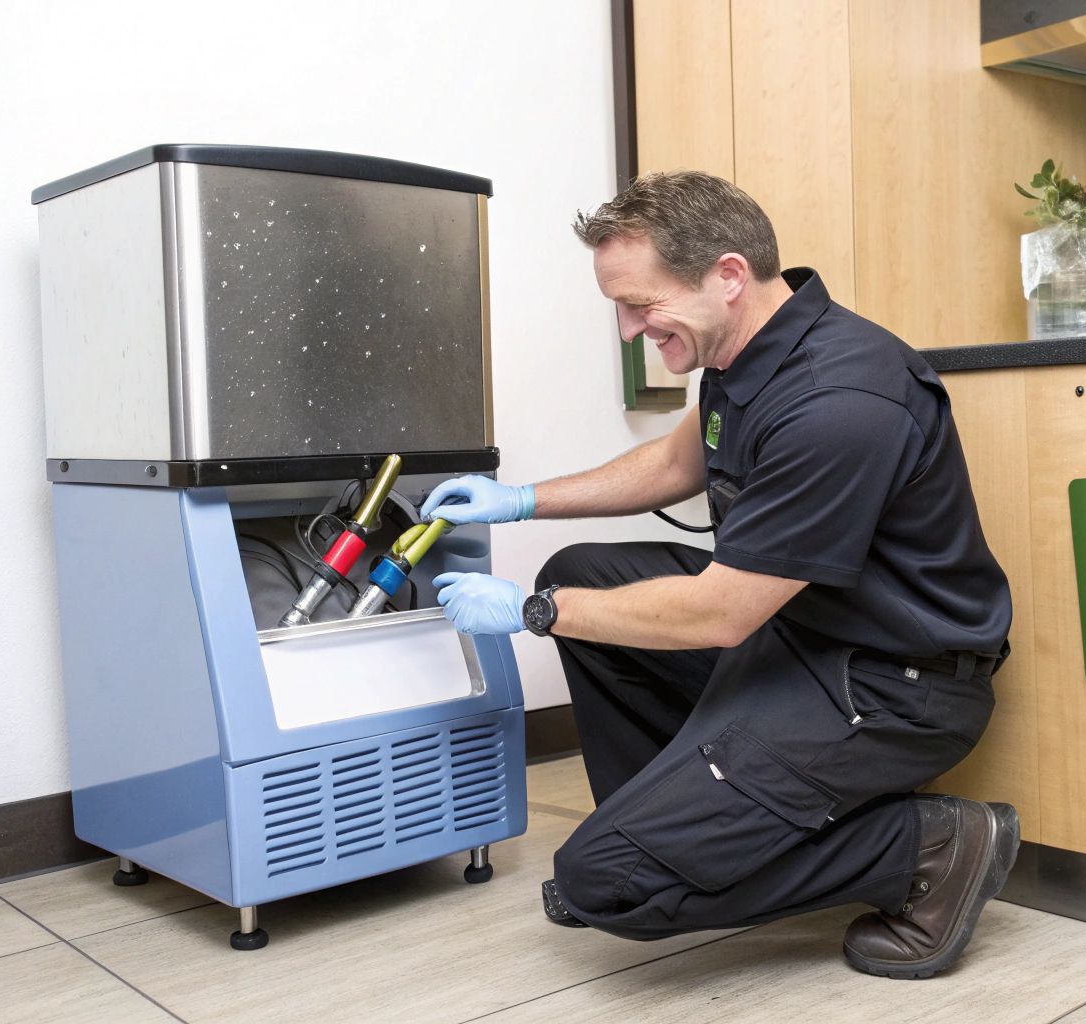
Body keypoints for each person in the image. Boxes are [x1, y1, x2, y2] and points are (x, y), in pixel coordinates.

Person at [423, 171, 1015, 979]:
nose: (631, 330)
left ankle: (927, 846)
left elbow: (719, 614)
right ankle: (688, 818)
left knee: (603, 885)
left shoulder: (840, 398)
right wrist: (523, 500)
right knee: (582, 569)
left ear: (728, 276)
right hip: (799, 635)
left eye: (641, 305)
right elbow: (677, 460)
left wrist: (535, 612)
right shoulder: (740, 354)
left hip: (889, 687)